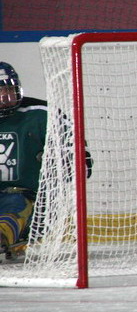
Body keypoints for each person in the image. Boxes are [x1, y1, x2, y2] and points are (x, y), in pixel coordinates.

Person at [0, 62, 91, 259]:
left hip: (32, 202)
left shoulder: (42, 115)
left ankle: (3, 233)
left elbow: (83, 165)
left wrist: (66, 164)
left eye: (8, 91)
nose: (4, 98)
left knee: (15, 203)